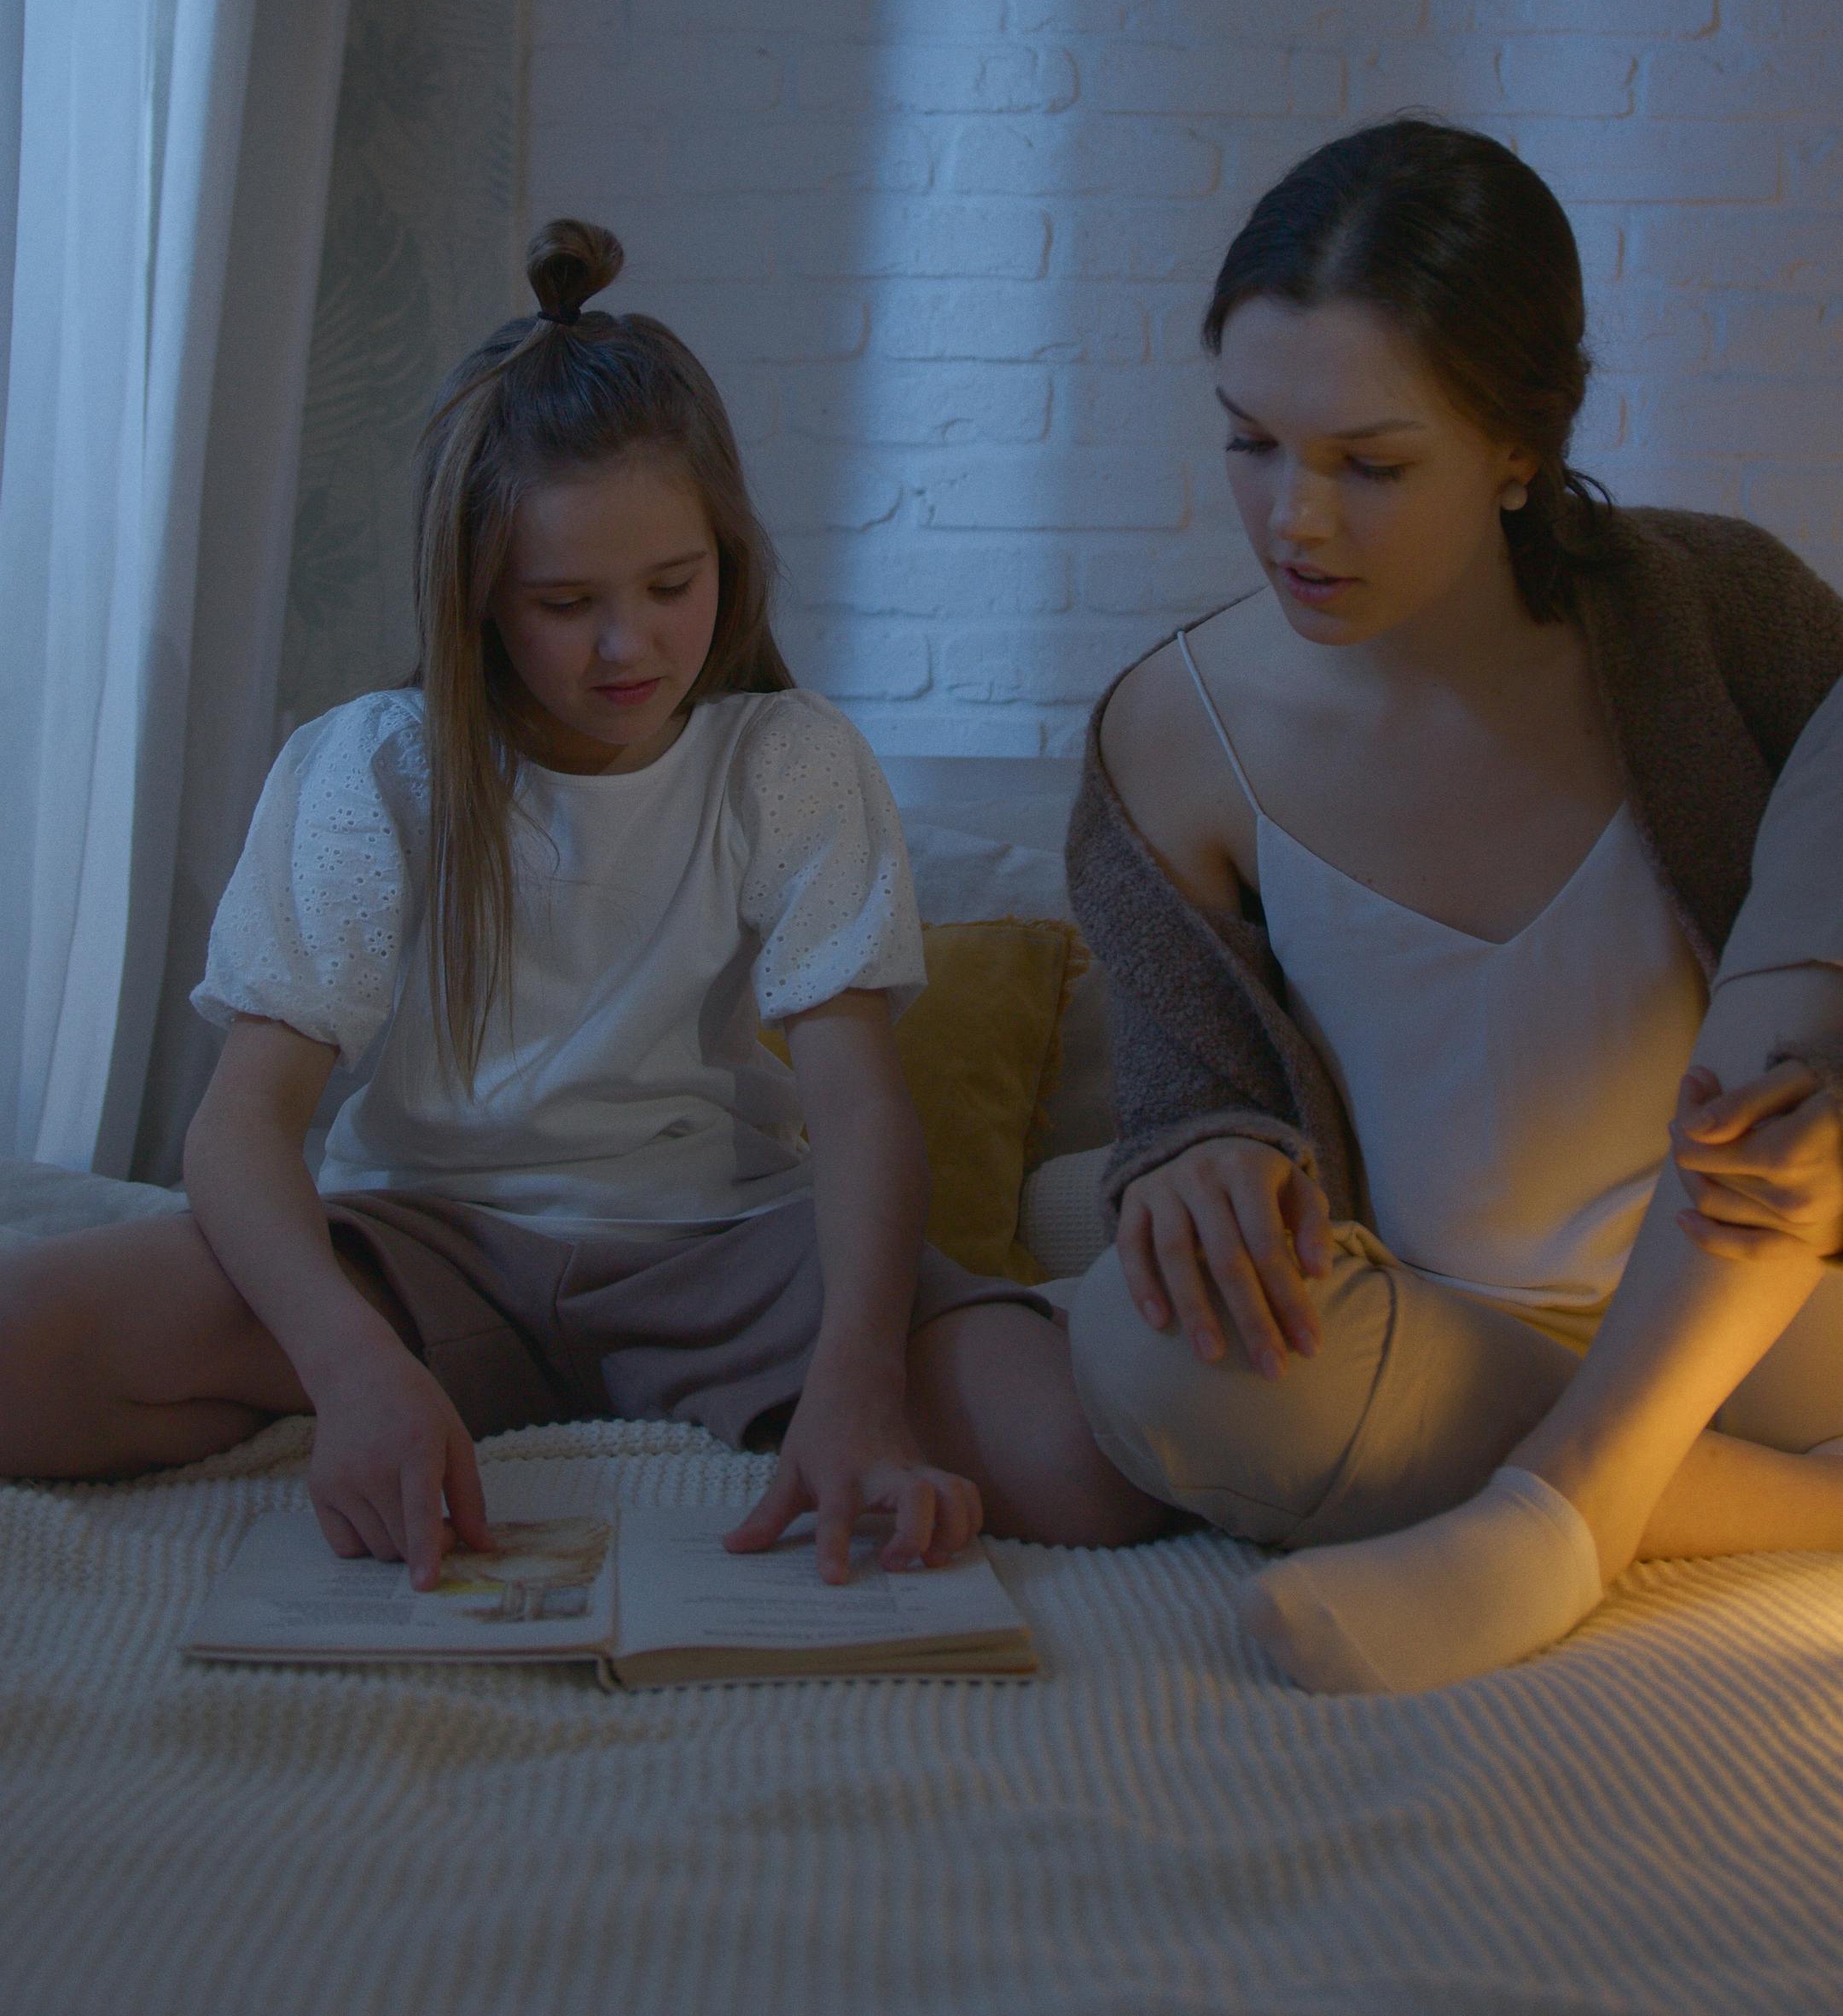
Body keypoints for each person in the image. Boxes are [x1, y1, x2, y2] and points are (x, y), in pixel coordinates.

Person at [0, 223, 1160, 1583]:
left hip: (729, 1254)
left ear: (726, 554)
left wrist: (862, 1381)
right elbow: (240, 1127)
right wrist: (354, 1366)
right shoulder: (375, 767)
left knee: (1103, 1469)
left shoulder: (786, 759)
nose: (631, 647)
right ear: (480, 596)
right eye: (566, 604)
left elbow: (858, 1103)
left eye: (673, 587)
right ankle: (422, 1377)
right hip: (425, 1250)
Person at [1065, 117, 1843, 1693]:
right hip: (1428, 1344)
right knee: (1158, 1357)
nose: (1295, 519)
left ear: (1517, 448)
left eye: (1370, 463)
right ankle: (1720, 1503)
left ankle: (1568, 1511)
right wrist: (1203, 1151)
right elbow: (1187, 1085)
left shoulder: (1721, 614)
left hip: (1760, 1325)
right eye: (1250, 443)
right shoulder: (1170, 733)